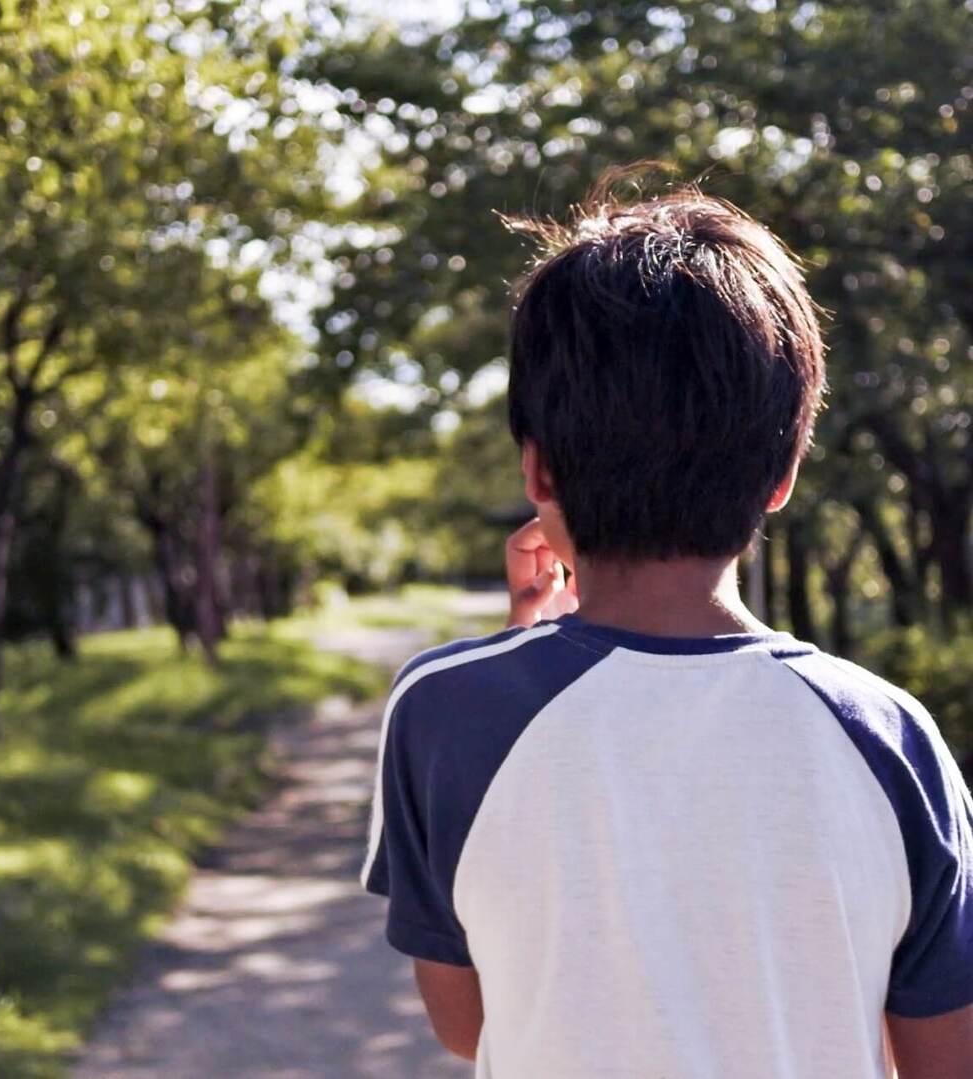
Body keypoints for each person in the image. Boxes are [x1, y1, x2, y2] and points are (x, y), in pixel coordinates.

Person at [358, 162, 973, 1078]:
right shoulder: (891, 736)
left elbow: (470, 1019)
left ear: (539, 474)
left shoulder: (444, 710)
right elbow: (943, 1056)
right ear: (783, 475)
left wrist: (536, 650)